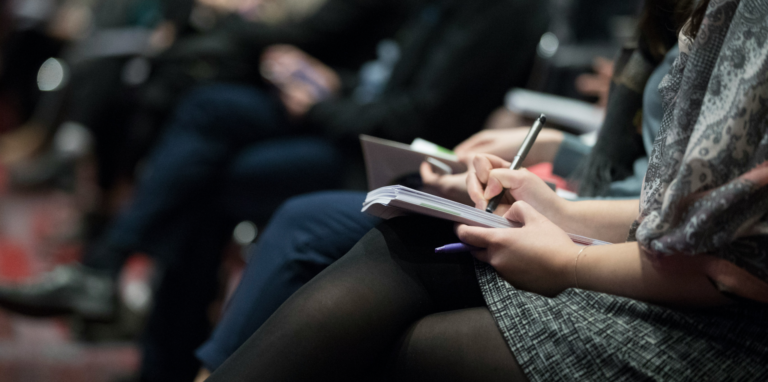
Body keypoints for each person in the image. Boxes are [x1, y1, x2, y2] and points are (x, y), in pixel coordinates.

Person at [207, 0, 768, 380]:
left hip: (725, 330)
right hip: (656, 257)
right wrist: (550, 201)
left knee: (376, 320)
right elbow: (673, 209)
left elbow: (726, 261)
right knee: (401, 235)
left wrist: (570, 256)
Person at [0, 0, 548, 380]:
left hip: (393, 161)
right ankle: (130, 304)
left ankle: (156, 336)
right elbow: (383, 74)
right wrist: (331, 83)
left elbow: (416, 116)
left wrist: (323, 103)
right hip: (352, 120)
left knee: (210, 179)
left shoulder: (502, 11)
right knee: (205, 109)